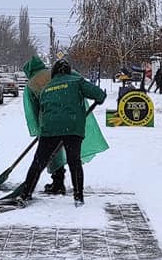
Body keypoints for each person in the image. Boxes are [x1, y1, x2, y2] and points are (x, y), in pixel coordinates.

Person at [17, 58, 107, 206]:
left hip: (49, 129)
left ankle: (25, 194)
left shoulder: (46, 88)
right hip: (72, 128)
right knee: (74, 162)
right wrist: (99, 98)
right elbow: (99, 95)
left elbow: (41, 110)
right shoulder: (76, 81)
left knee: (38, 162)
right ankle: (78, 197)